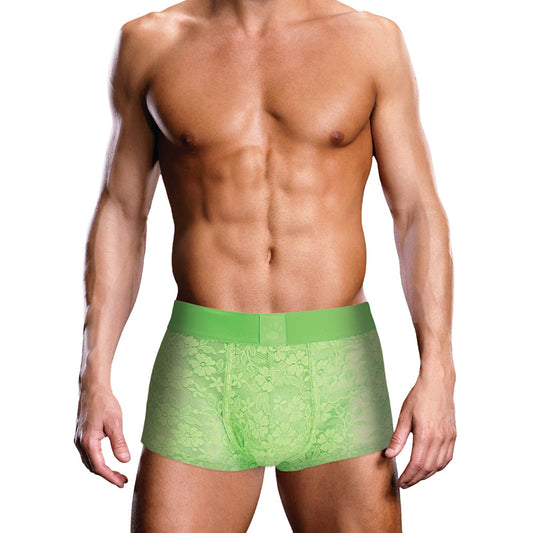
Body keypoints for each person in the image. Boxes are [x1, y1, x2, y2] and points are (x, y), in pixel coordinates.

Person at [74, 0, 457, 530]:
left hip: (338, 370)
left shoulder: (371, 42)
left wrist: (438, 369)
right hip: (202, 368)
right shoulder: (151, 43)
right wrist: (93, 374)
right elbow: (121, 210)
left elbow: (416, 210)